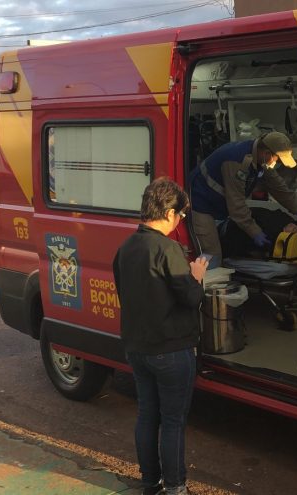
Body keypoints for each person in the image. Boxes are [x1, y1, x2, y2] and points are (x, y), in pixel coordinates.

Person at [113, 177, 209, 495]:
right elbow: (191, 298)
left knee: (147, 415)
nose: (180, 222)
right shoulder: (167, 249)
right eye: (180, 216)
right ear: (169, 213)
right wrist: (196, 276)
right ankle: (176, 487)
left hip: (137, 348)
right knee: (172, 421)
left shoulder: (126, 247)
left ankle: (150, 482)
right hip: (170, 350)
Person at [188, 131, 297, 267]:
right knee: (213, 254)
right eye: (277, 158)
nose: (276, 162)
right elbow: (237, 205)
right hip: (200, 204)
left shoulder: (261, 159)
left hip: (219, 205)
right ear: (266, 153)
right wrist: (256, 233)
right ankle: (198, 286)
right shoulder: (236, 161)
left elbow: (278, 188)